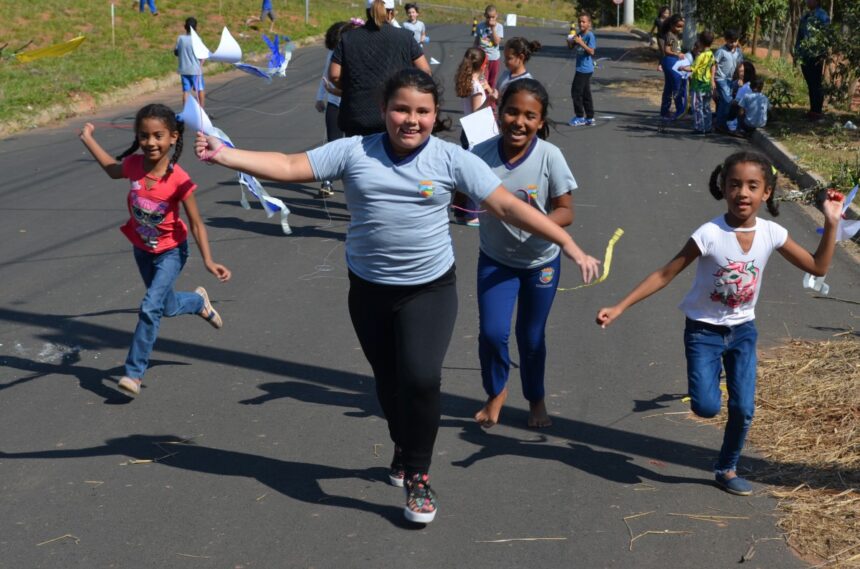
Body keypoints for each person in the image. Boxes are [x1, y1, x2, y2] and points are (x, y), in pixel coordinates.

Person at [195, 68, 599, 523]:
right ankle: (403, 446)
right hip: (368, 291)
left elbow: (507, 205)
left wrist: (567, 244)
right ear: (384, 110)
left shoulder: (450, 159)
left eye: (423, 111)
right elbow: (290, 166)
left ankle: (419, 476)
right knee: (389, 386)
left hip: (430, 289)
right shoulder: (354, 151)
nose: (412, 120)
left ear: (435, 115)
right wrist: (226, 156)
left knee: (422, 378)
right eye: (401, 109)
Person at [596, 151, 842, 496]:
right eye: (735, 184)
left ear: (766, 192)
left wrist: (831, 222)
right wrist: (620, 306)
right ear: (723, 188)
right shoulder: (709, 234)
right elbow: (666, 273)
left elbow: (817, 267)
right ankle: (710, 377)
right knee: (707, 406)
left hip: (743, 332)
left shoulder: (772, 233)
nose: (743, 192)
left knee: (743, 407)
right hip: (703, 332)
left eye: (752, 186)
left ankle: (726, 468)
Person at [79, 104, 231, 397]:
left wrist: (209, 261)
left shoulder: (179, 179)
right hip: (142, 249)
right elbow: (113, 170)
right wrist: (88, 139)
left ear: (173, 137)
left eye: (158, 136)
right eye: (144, 136)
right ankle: (198, 303)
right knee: (167, 306)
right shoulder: (135, 165)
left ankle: (134, 373)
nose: (151, 142)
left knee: (150, 308)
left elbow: (197, 224)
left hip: (171, 252)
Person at [471, 79, 591, 429]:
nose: (519, 122)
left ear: (541, 122)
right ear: (498, 112)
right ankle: (496, 392)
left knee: (531, 336)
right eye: (511, 112)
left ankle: (535, 399)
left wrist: (536, 223)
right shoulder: (480, 154)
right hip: (495, 260)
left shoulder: (550, 157)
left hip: (540, 262)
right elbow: (460, 195)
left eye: (529, 116)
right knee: (492, 333)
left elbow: (566, 211)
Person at [328, 0, 431, 136]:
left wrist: (351, 86)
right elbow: (425, 71)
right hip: (395, 115)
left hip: (356, 115)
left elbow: (334, 75)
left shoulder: (348, 38)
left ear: (367, 12)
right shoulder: (405, 37)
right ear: (391, 13)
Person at [315, 21, 359, 198]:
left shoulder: (359, 52)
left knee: (354, 146)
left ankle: (355, 183)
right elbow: (325, 76)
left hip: (354, 105)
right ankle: (327, 181)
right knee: (333, 144)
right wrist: (319, 97)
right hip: (335, 104)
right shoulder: (333, 54)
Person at [453, 47, 493, 226]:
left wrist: (487, 88)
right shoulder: (476, 87)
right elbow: (477, 112)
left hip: (466, 129)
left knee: (465, 171)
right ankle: (471, 213)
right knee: (476, 172)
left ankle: (460, 210)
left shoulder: (469, 80)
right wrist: (491, 100)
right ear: (483, 64)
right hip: (477, 132)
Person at [795, 0, 830, 121]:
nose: (807, 2)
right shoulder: (805, 17)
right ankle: (812, 111)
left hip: (815, 55)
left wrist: (822, 55)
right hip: (805, 56)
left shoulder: (822, 16)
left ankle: (817, 112)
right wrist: (797, 52)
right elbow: (800, 36)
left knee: (816, 83)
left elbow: (825, 36)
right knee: (810, 83)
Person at [568, 13, 596, 126]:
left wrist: (581, 43)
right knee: (585, 93)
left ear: (589, 24)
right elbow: (571, 47)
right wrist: (570, 41)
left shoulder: (590, 36)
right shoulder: (578, 34)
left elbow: (592, 51)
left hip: (585, 69)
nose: (581, 23)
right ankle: (590, 117)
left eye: (584, 22)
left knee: (575, 92)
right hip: (580, 68)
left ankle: (580, 116)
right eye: (580, 21)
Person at [657, 14, 686, 122]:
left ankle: (665, 111)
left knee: (669, 88)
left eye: (681, 26)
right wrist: (677, 54)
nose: (680, 29)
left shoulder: (676, 35)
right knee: (676, 87)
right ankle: (680, 110)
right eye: (678, 26)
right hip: (670, 62)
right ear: (672, 25)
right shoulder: (670, 35)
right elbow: (667, 50)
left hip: (673, 62)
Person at [713, 29, 743, 133]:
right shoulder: (721, 51)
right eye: (730, 41)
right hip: (720, 79)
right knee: (728, 101)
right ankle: (722, 123)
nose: (733, 44)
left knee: (723, 102)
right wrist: (712, 81)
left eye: (735, 41)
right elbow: (714, 65)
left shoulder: (738, 52)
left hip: (730, 80)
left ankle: (719, 123)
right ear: (726, 40)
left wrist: (740, 78)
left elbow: (740, 66)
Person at [688, 31, 715, 134]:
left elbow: (692, 68)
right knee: (706, 106)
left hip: (698, 84)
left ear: (701, 42)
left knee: (697, 106)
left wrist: (681, 67)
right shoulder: (711, 54)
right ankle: (708, 127)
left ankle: (699, 127)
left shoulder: (700, 56)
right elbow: (713, 66)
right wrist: (712, 80)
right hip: (707, 84)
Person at [175, 17, 204, 108]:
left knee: (186, 91)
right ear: (196, 27)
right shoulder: (198, 39)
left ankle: (186, 111)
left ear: (185, 27)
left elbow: (176, 52)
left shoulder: (180, 38)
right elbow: (201, 55)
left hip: (184, 69)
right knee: (200, 90)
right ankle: (201, 110)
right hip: (195, 70)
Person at [474, 5, 504, 90]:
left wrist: (493, 28)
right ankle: (483, 100)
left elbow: (497, 42)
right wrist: (473, 51)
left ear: (496, 15)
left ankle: (491, 101)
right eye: (488, 17)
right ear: (485, 16)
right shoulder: (480, 26)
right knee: (483, 81)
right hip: (483, 58)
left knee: (492, 81)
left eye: (493, 17)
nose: (490, 19)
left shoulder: (499, 27)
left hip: (494, 58)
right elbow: (477, 41)